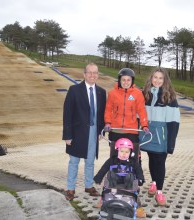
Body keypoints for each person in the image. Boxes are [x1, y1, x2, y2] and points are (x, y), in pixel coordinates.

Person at [62, 62, 107, 201]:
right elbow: (67, 113)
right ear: (84, 74)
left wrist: (101, 131)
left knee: (90, 161)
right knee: (74, 162)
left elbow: (102, 115)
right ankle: (70, 188)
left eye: (95, 72)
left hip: (94, 132)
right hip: (77, 132)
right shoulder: (74, 90)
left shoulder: (101, 92)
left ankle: (89, 185)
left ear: (97, 75)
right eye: (90, 72)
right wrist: (67, 135)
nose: (93, 75)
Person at [139, 67, 180, 206]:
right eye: (155, 77)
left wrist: (171, 143)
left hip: (162, 137)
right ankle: (154, 183)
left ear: (165, 80)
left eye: (160, 78)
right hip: (148, 136)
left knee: (160, 162)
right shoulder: (144, 94)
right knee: (151, 159)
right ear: (151, 78)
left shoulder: (170, 97)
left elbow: (174, 122)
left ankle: (160, 192)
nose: (157, 80)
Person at [104, 68, 149, 146]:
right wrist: (108, 123)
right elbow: (108, 109)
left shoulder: (137, 94)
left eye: (128, 80)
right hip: (115, 130)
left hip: (131, 131)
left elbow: (141, 110)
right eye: (123, 80)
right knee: (115, 155)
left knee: (131, 155)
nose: (126, 82)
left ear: (132, 81)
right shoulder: (112, 93)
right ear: (119, 80)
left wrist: (144, 125)